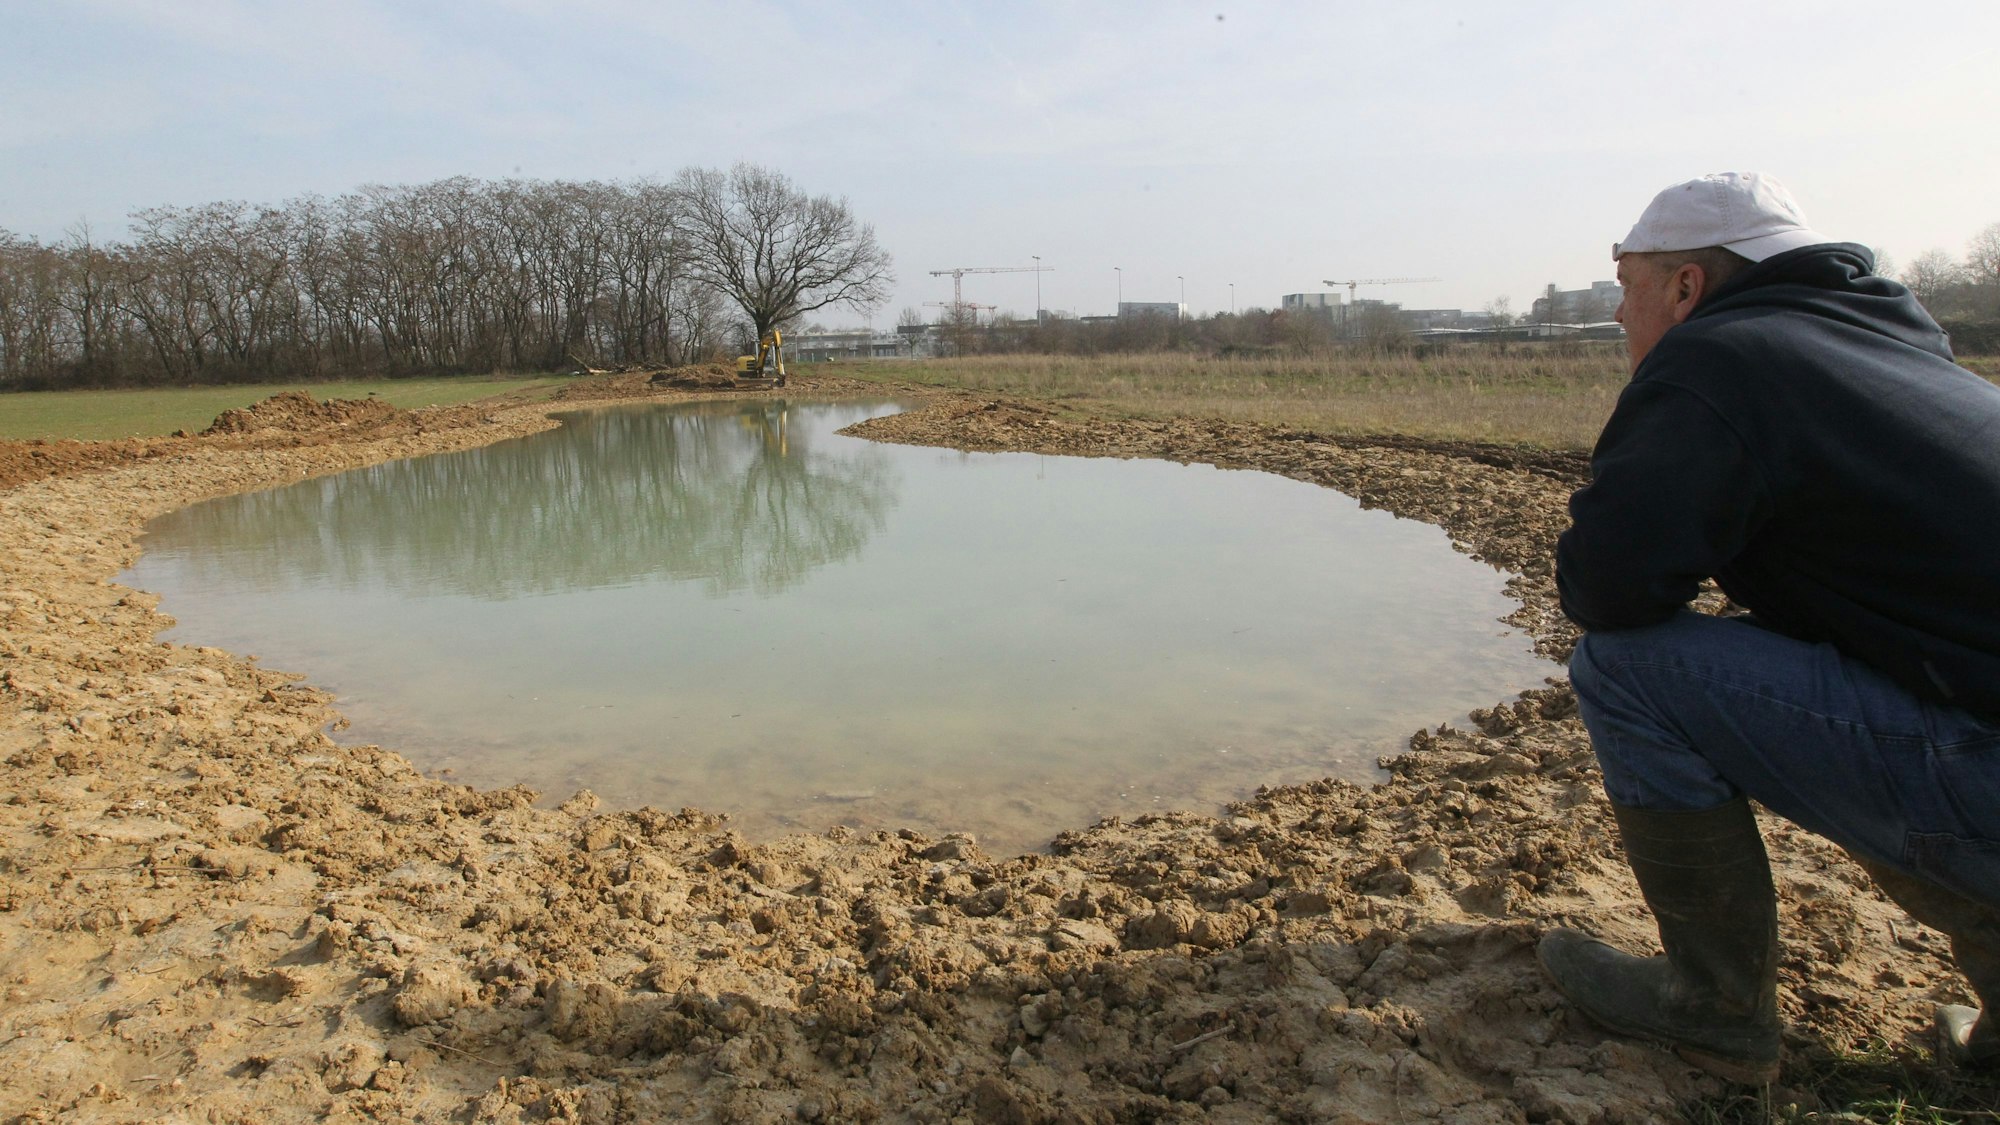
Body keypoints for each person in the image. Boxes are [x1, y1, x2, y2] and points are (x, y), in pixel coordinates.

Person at [1539, 172, 2000, 1085]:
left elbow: (1606, 586)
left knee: (1627, 667)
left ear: (1685, 287)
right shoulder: (1892, 336)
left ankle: (1712, 1007)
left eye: (1625, 289)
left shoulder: (1720, 360)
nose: (1620, 319)